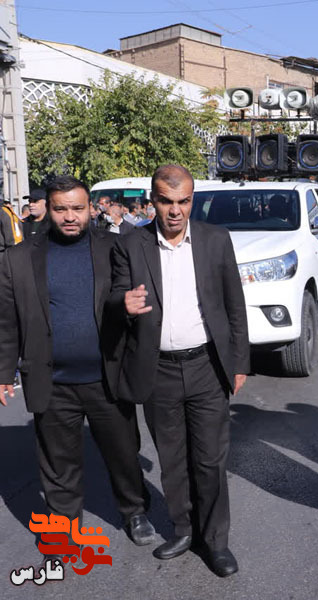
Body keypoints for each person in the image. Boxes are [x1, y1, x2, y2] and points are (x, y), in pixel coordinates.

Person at [0, 175, 156, 563]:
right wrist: (4, 373)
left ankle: (135, 511)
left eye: (77, 208)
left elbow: (129, 296)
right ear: (48, 210)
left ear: (91, 208)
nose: (70, 217)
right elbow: (7, 323)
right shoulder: (18, 259)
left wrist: (129, 310)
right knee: (58, 465)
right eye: (61, 209)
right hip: (52, 382)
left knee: (123, 453)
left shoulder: (113, 248)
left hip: (107, 377)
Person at [109, 164, 249, 578]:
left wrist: (239, 362)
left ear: (193, 200)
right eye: (167, 201)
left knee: (210, 459)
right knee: (172, 460)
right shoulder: (130, 244)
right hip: (158, 370)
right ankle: (185, 530)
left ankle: (216, 541)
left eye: (183, 201)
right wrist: (122, 304)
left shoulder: (215, 240)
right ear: (152, 200)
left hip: (206, 366)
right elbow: (114, 294)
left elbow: (234, 305)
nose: (175, 211)